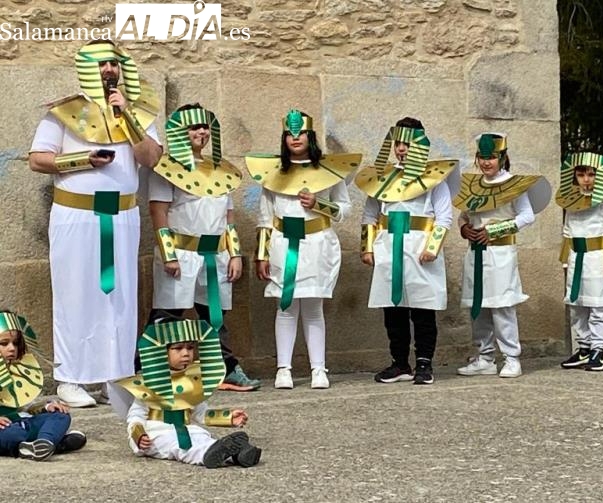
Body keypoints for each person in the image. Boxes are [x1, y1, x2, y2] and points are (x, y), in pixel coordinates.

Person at [28, 40, 162, 407]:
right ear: (88, 68)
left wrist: (129, 119)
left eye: (114, 64)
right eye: (102, 64)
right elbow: (38, 159)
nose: (108, 70)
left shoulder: (142, 112)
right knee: (75, 292)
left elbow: (151, 159)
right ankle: (69, 377)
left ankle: (113, 376)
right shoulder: (64, 113)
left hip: (122, 216)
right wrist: (82, 160)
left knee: (119, 297)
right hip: (76, 215)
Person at [147, 103, 260, 391]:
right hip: (182, 253)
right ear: (180, 132)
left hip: (215, 255)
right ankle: (149, 369)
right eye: (194, 127)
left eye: (205, 126)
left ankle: (224, 368)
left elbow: (228, 218)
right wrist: (169, 255)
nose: (201, 132)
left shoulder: (222, 171)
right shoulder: (167, 169)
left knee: (214, 317)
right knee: (167, 314)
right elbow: (158, 214)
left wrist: (235, 253)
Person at [247, 110, 361, 390]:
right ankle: (283, 369)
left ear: (310, 137)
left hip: (317, 244)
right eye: (289, 133)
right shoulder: (273, 174)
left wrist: (319, 204)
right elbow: (265, 217)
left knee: (313, 307)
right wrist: (261, 254)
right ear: (284, 138)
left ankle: (318, 369)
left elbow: (345, 208)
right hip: (283, 244)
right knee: (285, 306)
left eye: (300, 133)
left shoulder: (329, 172)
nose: (295, 138)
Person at [356, 117, 458, 385]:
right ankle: (399, 363)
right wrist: (367, 247)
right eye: (398, 143)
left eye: (408, 143)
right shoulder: (381, 179)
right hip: (389, 247)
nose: (402, 149)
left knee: (423, 308)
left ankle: (424, 363)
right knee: (394, 308)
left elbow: (444, 216)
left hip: (419, 246)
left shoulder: (434, 179)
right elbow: (370, 215)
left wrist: (432, 247)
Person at [454, 133, 550, 378]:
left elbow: (527, 216)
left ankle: (511, 357)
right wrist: (464, 228)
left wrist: (495, 230)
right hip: (475, 253)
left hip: (500, 253)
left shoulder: (513, 185)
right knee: (479, 307)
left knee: (502, 306)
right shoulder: (472, 186)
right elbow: (464, 215)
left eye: (492, 158)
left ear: (502, 157)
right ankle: (485, 357)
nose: (487, 163)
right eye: (482, 157)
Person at [116, 315, 261, 468]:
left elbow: (201, 413)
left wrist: (228, 417)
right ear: (160, 352)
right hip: (155, 434)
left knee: (202, 437)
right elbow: (135, 416)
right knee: (180, 447)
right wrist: (138, 434)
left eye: (190, 348)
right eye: (178, 348)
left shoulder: (193, 380)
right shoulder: (148, 383)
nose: (186, 353)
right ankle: (206, 455)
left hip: (185, 428)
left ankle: (238, 456)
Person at [557, 152, 603, 371]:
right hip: (577, 257)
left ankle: (599, 349)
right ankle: (584, 347)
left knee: (598, 305)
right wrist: (565, 260)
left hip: (598, 257)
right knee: (577, 304)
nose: (586, 179)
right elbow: (567, 231)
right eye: (581, 174)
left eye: (591, 174)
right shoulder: (572, 202)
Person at [0, 311, 87, 460]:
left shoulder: (19, 368)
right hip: (5, 429)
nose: (12, 348)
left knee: (61, 416)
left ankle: (44, 442)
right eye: (4, 343)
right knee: (13, 434)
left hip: (21, 421)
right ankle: (57, 444)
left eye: (15, 343)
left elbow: (24, 406)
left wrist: (46, 407)